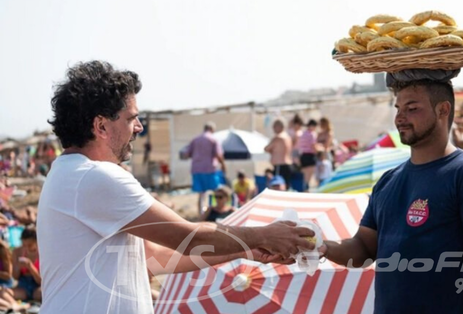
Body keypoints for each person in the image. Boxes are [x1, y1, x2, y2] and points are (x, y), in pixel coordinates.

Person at [38, 61, 315, 313]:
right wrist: (264, 236)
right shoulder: (94, 176)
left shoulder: (71, 174)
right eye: (131, 118)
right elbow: (190, 237)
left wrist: (247, 251)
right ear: (100, 126)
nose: (139, 127)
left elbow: (155, 259)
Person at [318, 70, 463, 314]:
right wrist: (322, 247)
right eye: (398, 108)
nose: (400, 118)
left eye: (412, 108)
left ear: (443, 110)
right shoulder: (388, 181)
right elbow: (364, 249)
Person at [186, 122, 227, 216]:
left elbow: (187, 154)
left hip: (196, 169)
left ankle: (201, 214)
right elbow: (218, 155)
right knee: (216, 191)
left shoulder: (195, 139)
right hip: (209, 169)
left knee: (201, 194)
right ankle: (217, 211)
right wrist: (223, 165)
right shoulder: (213, 139)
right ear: (212, 129)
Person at [12, 227, 41, 302]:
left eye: (30, 245)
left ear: (37, 241)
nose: (26, 248)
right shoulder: (17, 252)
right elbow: (15, 277)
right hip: (23, 285)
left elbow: (40, 281)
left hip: (37, 286)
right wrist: (17, 267)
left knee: (38, 294)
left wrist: (30, 267)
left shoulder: (42, 252)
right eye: (24, 245)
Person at [264, 119, 294, 189]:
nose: (273, 129)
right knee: (286, 186)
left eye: (274, 127)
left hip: (280, 166)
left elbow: (266, 148)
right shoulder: (288, 137)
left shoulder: (278, 137)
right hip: (287, 165)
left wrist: (272, 151)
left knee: (278, 187)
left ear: (279, 126)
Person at [297, 119, 318, 191]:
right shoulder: (312, 134)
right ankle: (306, 191)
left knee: (305, 178)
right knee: (309, 178)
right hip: (310, 156)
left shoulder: (303, 133)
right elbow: (313, 146)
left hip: (303, 156)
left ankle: (304, 190)